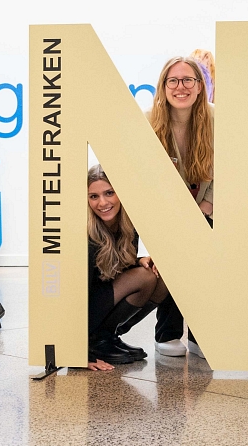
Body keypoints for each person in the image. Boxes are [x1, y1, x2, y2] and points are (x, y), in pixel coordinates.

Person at [119, 56, 214, 358]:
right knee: (174, 254)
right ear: (163, 86)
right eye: (173, 80)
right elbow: (136, 175)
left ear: (199, 87)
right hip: (160, 213)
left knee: (203, 256)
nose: (180, 87)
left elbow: (229, 168)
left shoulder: (216, 120)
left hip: (203, 207)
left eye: (188, 80)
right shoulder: (148, 121)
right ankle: (168, 333)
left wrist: (207, 206)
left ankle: (201, 335)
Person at [86, 165, 171, 370]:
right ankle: (94, 341)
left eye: (109, 193)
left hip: (104, 295)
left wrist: (139, 261)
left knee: (160, 276)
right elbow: (74, 296)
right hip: (85, 307)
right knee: (144, 278)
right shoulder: (86, 233)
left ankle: (107, 337)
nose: (102, 203)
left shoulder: (128, 223)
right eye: (94, 196)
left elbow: (113, 266)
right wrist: (76, 353)